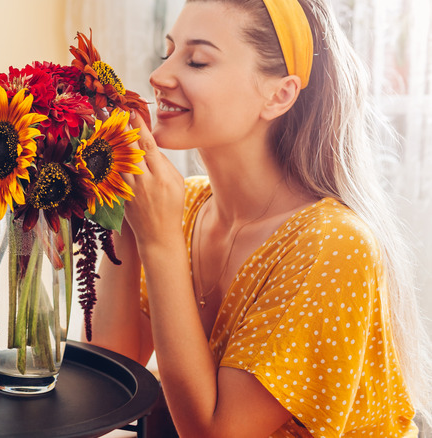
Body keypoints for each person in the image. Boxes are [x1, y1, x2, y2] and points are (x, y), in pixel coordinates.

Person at [88, 0, 432, 436]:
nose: (159, 77)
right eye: (167, 52)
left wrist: (158, 239)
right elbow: (108, 378)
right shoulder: (185, 206)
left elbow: (217, 433)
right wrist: (129, 213)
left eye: (196, 61)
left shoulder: (332, 243)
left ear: (279, 94)